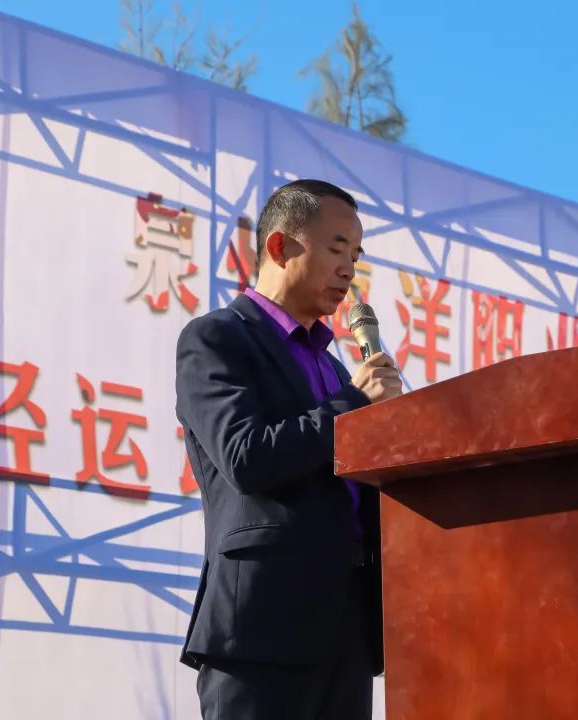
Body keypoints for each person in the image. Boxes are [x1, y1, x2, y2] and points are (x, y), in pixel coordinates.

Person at [175, 179, 402, 719]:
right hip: (262, 628)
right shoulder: (217, 339)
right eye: (337, 249)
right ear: (279, 246)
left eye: (356, 256)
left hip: (346, 633)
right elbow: (245, 456)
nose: (349, 270)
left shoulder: (336, 370)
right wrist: (353, 404)